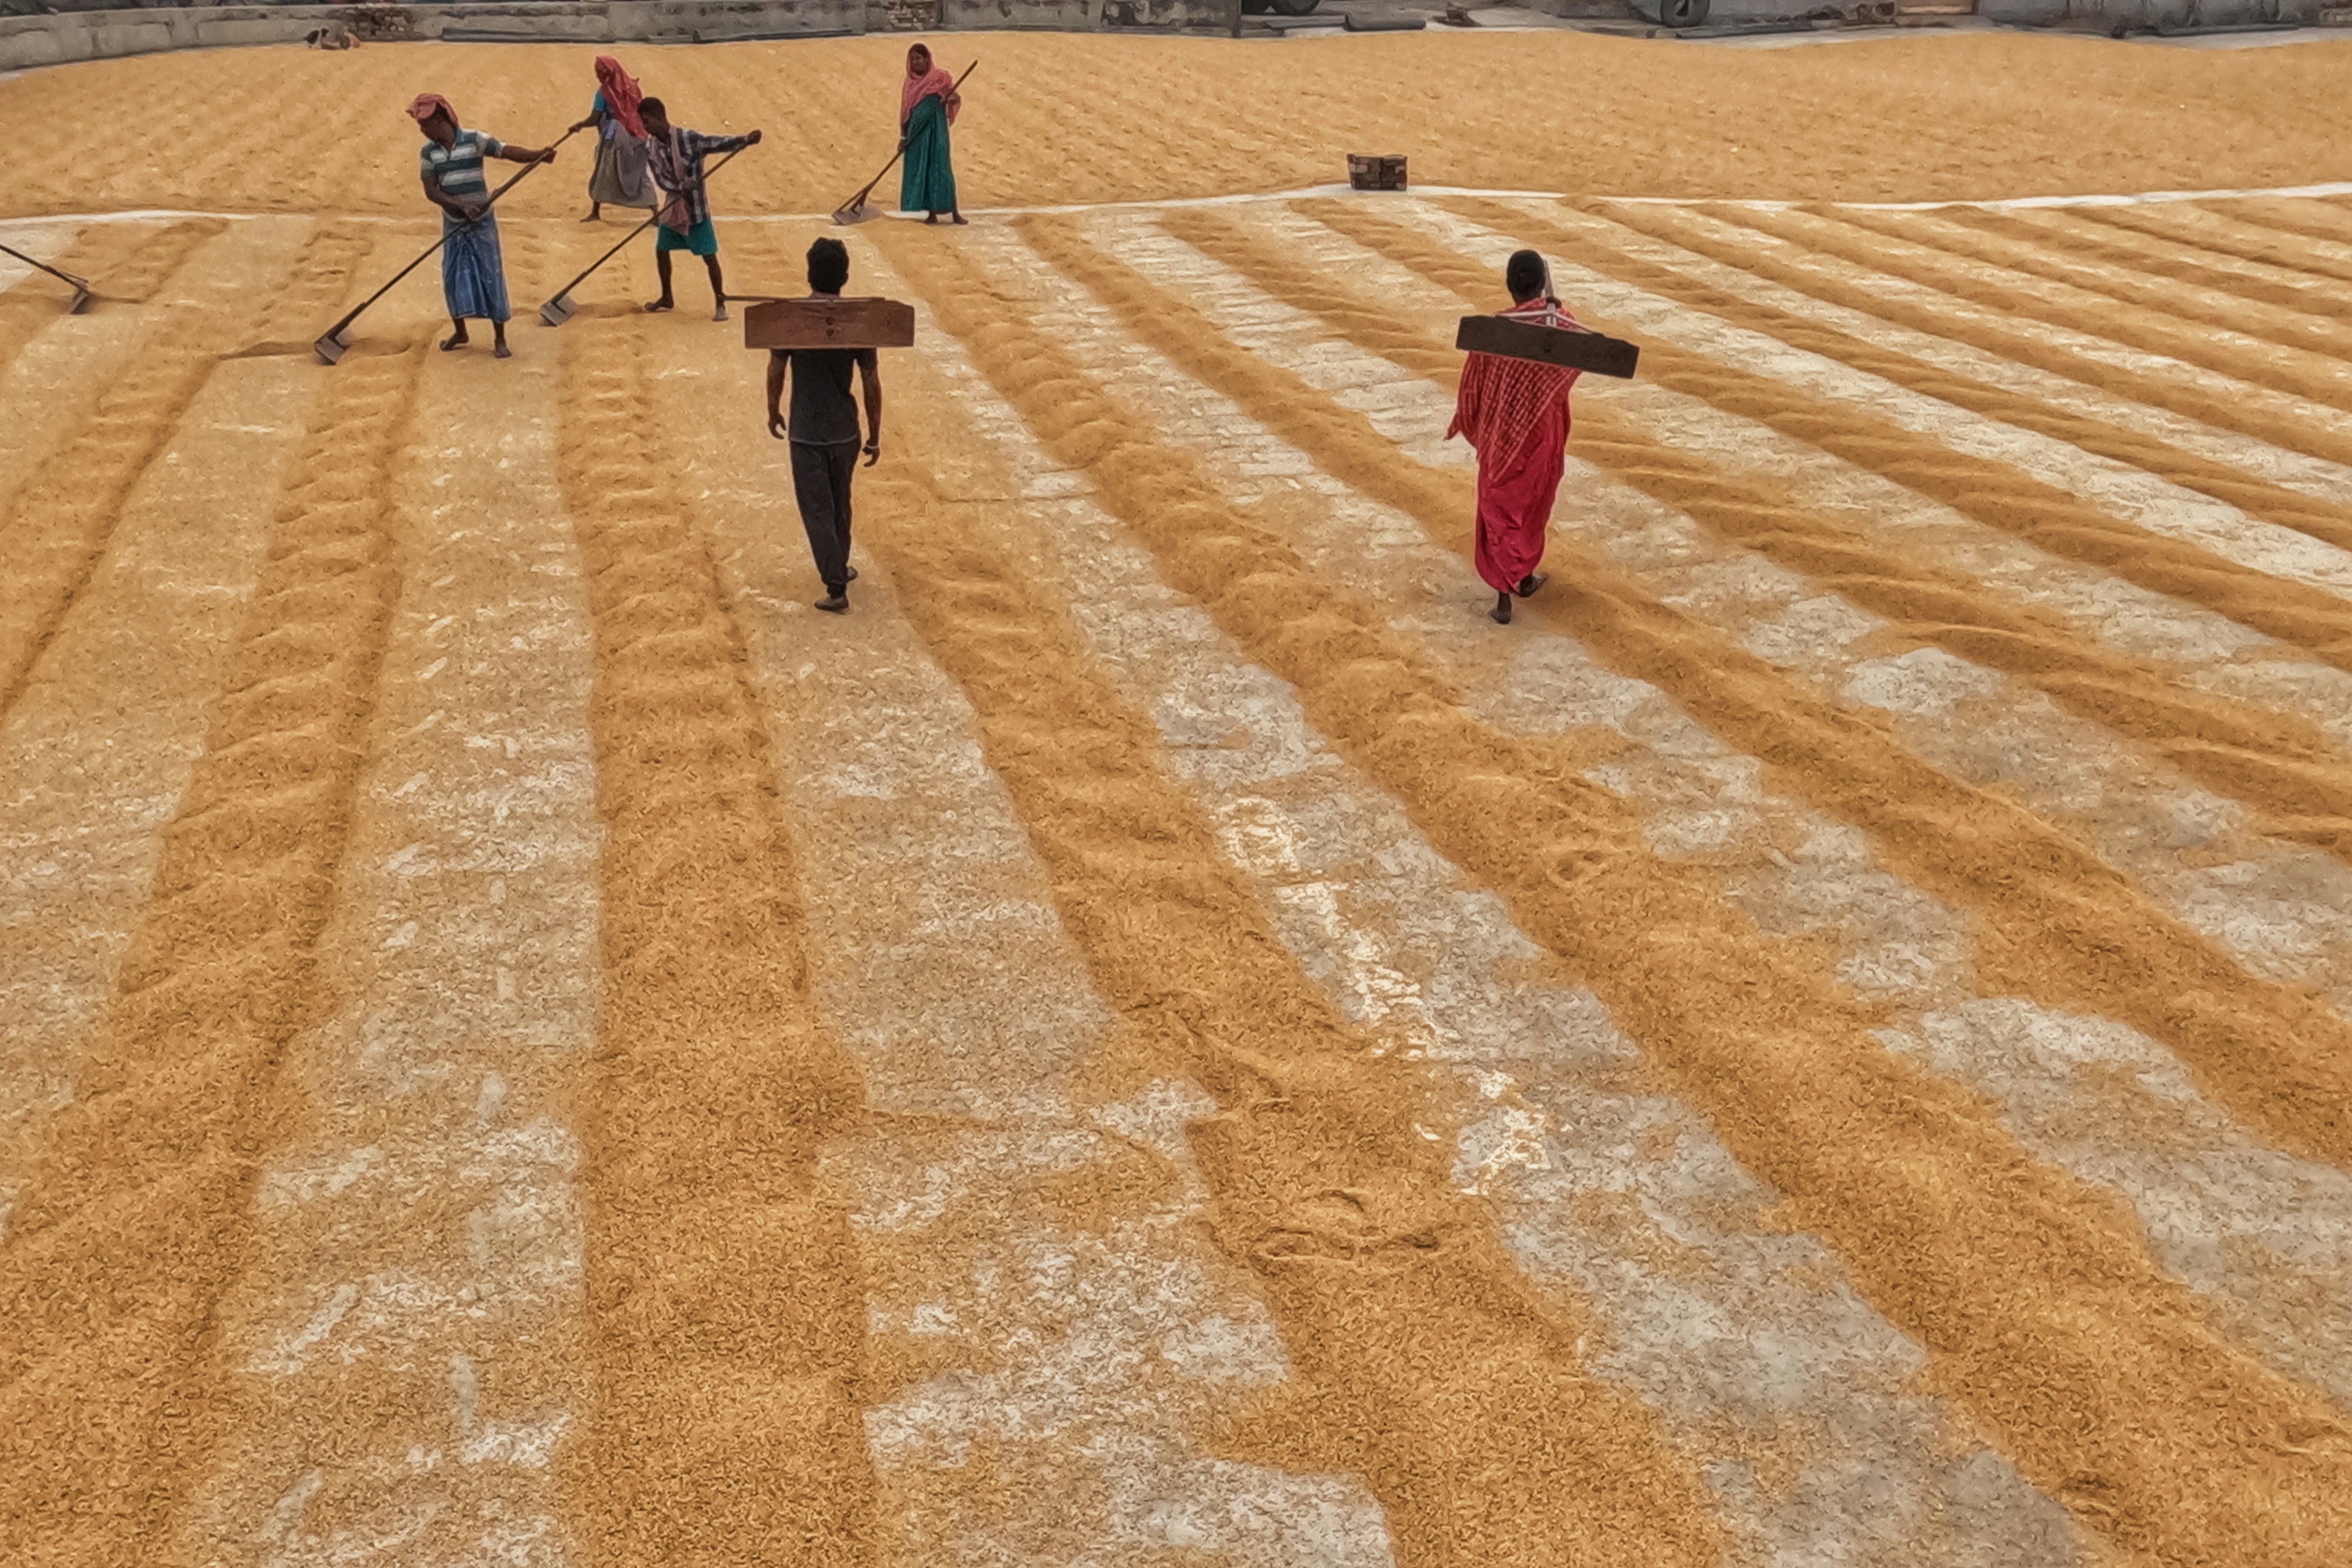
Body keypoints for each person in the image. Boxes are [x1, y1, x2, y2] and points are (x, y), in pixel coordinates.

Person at [1447, 250, 1583, 624]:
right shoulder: (1561, 324)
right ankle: (1522, 575)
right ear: (1541, 285)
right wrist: (1557, 309)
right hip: (1542, 434)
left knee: (1499, 508)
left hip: (1501, 437)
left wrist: (1476, 423)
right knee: (1532, 504)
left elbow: (1472, 387)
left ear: (1510, 287)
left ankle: (1504, 596)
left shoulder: (1492, 331)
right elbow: (1573, 352)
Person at [767, 237, 883, 615]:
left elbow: (776, 369)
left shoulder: (794, 320)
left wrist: (773, 410)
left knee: (817, 509)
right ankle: (840, 565)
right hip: (846, 430)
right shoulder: (857, 323)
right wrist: (875, 434)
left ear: (808, 274)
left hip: (807, 431)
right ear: (845, 277)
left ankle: (835, 584)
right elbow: (870, 381)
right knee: (839, 504)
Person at [411, 94, 554, 358]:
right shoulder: (428, 153)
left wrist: (537, 155)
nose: (422, 130)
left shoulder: (474, 140)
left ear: (441, 120)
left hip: (481, 221)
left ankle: (499, 338)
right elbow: (431, 191)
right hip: (454, 222)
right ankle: (461, 331)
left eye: (425, 125)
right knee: (453, 276)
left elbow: (507, 151)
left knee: (491, 273)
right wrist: (458, 205)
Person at [641, 98, 761, 322]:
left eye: (648, 122)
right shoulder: (651, 148)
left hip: (696, 211)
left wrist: (745, 140)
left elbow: (717, 143)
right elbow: (659, 179)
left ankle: (720, 303)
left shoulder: (688, 139)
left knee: (709, 256)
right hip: (674, 208)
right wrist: (679, 187)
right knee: (662, 250)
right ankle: (667, 297)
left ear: (660, 118)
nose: (645, 127)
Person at [571, 56, 657, 223]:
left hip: (615, 138)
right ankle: (656, 214)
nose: (597, 76)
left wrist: (579, 125)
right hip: (638, 138)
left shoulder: (604, 93)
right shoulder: (632, 88)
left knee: (604, 171)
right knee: (639, 174)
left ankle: (596, 212)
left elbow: (596, 117)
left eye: (600, 72)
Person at [898, 44, 963, 226]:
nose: (916, 62)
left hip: (937, 129)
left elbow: (955, 98)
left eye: (919, 58)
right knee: (924, 170)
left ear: (927, 59)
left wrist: (950, 99)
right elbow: (906, 112)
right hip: (918, 133)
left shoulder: (940, 79)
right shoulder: (909, 84)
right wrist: (904, 138)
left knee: (942, 167)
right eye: (913, 60)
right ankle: (932, 213)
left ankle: (955, 212)